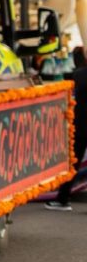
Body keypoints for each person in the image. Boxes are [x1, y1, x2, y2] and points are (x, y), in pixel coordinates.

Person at [46, 46, 87, 211]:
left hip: (82, 125)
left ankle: (62, 198)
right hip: (82, 124)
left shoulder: (79, 75)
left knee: (73, 164)